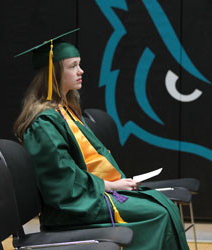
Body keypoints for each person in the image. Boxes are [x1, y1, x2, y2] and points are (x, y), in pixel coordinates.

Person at [13, 29, 189, 250]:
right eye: (73, 66)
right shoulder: (43, 123)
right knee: (155, 214)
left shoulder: (64, 111)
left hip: (86, 195)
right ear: (53, 74)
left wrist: (113, 185)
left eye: (79, 64)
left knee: (164, 206)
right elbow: (63, 181)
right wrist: (111, 185)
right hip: (71, 208)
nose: (81, 71)